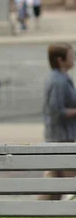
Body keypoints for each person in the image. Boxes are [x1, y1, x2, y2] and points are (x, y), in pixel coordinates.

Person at [41, 43, 76, 200]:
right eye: (70, 56)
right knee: (66, 176)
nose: (73, 59)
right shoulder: (58, 81)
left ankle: (41, 210)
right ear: (60, 60)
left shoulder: (62, 77)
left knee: (56, 177)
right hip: (60, 135)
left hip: (62, 134)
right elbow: (56, 111)